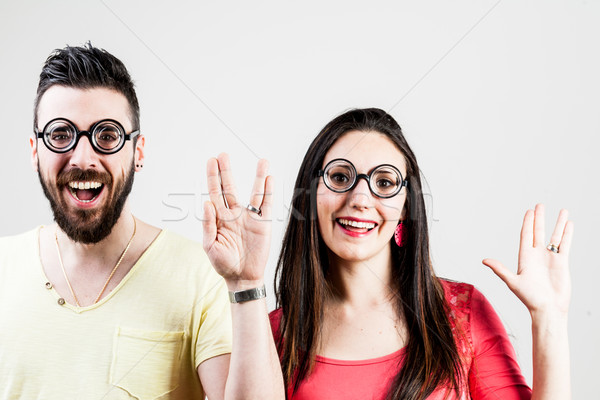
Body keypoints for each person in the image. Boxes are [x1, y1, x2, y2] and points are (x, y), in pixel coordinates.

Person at [0, 43, 283, 399]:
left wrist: (246, 282)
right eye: (60, 135)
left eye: (106, 135)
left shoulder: (201, 276)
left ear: (139, 151)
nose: (83, 157)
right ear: (34, 151)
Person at [268, 108, 573, 399]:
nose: (360, 198)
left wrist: (549, 318)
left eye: (384, 182)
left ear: (406, 206)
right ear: (309, 195)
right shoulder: (270, 336)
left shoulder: (461, 315)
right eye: (339, 178)